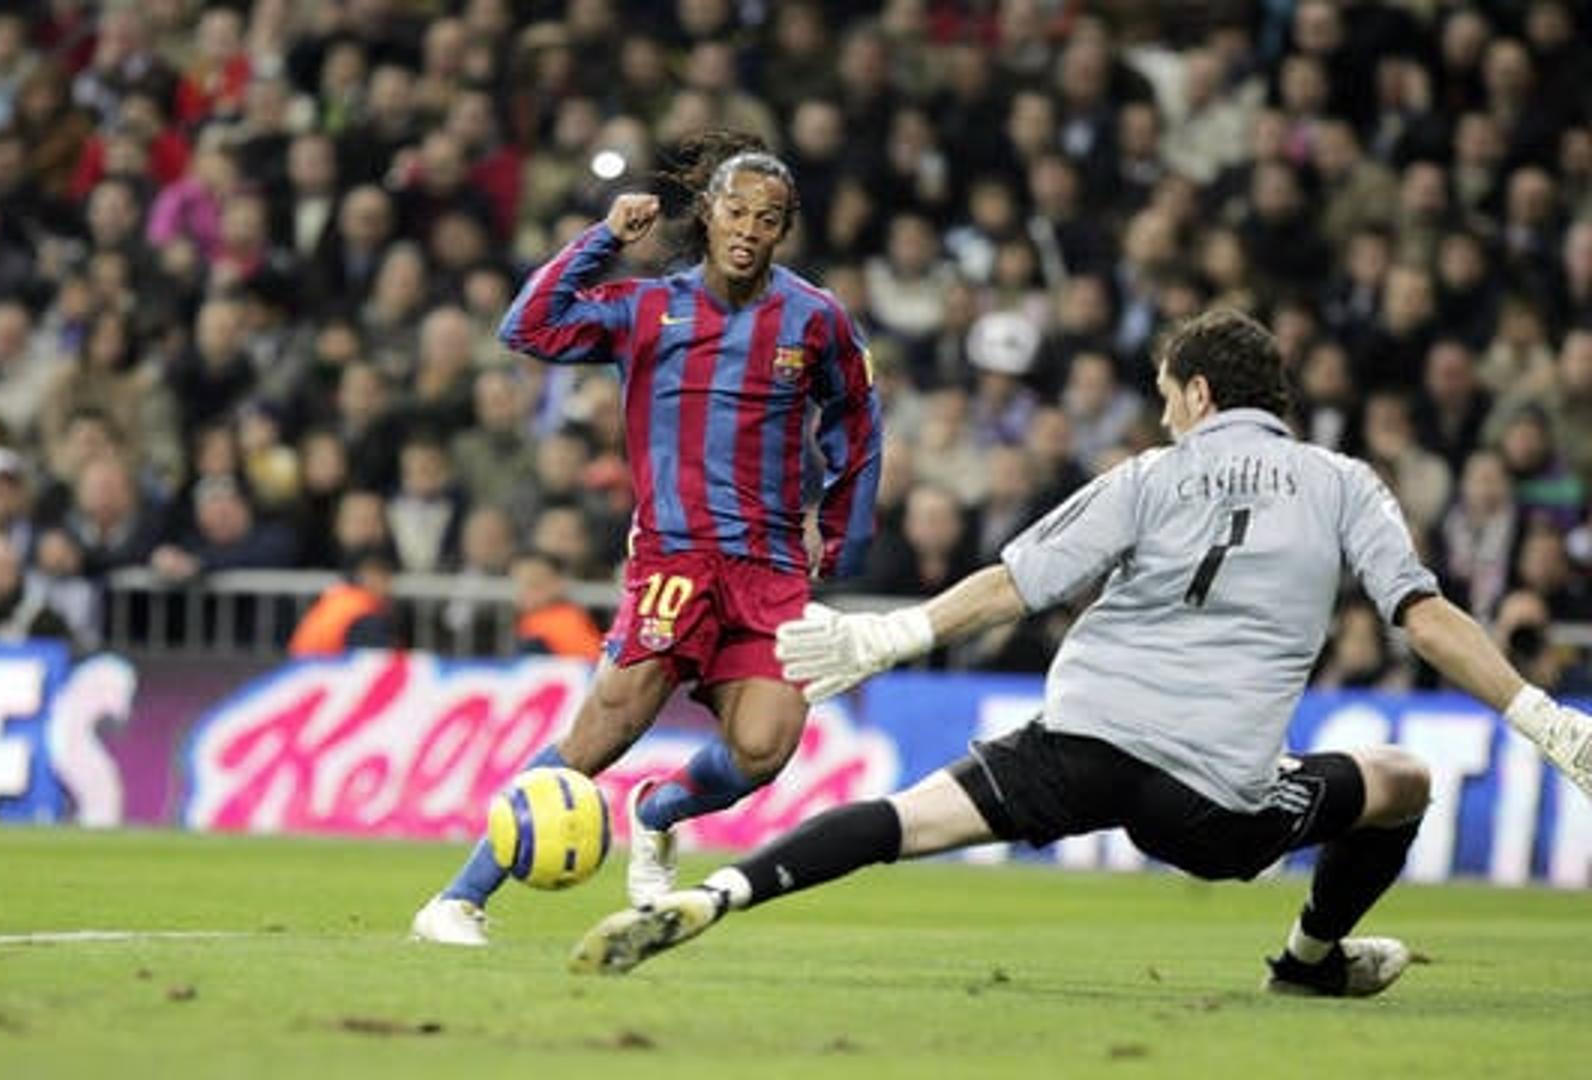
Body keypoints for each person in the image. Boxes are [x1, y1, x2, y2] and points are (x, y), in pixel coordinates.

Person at [570, 308, 1592, 996]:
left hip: (1083, 739)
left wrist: (892, 634)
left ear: (1194, 394)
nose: (1161, 410)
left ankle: (719, 892)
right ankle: (1310, 961)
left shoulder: (1149, 477)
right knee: (1402, 780)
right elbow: (1423, 614)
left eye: (1162, 393)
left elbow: (1019, 580)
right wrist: (1541, 715)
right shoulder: (1345, 484)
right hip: (1212, 798)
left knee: (901, 820)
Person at [412, 131, 883, 945]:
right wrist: (601, 241)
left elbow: (857, 422)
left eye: (767, 218)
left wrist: (836, 531)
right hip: (675, 556)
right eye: (735, 211)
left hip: (769, 569)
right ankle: (457, 899)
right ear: (706, 214)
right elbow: (528, 330)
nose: (748, 229)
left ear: (784, 229)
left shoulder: (816, 319)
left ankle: (661, 810)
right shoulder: (647, 307)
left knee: (765, 749)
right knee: (607, 724)